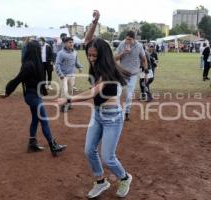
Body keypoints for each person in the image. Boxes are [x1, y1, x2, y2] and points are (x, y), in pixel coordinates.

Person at [56, 10, 133, 199]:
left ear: (103, 55)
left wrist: (68, 99)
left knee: (108, 157)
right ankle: (101, 182)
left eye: (94, 56)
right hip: (98, 114)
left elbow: (93, 92)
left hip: (112, 117)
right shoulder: (94, 59)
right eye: (89, 55)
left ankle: (124, 177)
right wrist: (95, 22)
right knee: (89, 150)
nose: (90, 58)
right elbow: (87, 40)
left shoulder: (108, 72)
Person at [0, 40, 67, 156]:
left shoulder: (36, 62)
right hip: (32, 96)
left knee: (36, 119)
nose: (40, 50)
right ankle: (53, 145)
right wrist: (8, 92)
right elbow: (17, 79)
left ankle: (32, 143)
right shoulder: (29, 64)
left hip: (35, 95)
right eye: (39, 49)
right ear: (34, 50)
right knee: (44, 120)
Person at [115, 30, 147, 121]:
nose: (127, 41)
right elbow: (114, 58)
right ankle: (117, 111)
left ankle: (127, 112)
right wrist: (123, 53)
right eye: (126, 39)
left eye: (129, 39)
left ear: (134, 39)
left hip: (133, 75)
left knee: (129, 96)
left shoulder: (139, 46)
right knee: (117, 93)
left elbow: (144, 59)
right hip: (122, 73)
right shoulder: (122, 44)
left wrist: (145, 72)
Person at [55, 37, 83, 112]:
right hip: (63, 76)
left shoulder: (75, 52)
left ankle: (69, 104)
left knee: (70, 91)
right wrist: (60, 74)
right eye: (69, 42)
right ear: (65, 43)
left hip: (72, 75)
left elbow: (76, 62)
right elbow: (57, 65)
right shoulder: (60, 53)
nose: (71, 44)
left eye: (72, 42)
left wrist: (80, 67)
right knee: (64, 91)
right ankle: (63, 106)